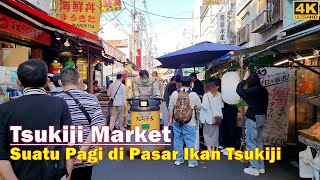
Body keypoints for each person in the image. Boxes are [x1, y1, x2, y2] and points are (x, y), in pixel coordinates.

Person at [0, 59, 74, 180]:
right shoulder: (60, 104)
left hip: (20, 174)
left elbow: (2, 155)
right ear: (46, 81)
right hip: (53, 174)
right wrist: (68, 175)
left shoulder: (4, 109)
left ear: (18, 83)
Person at [57, 68, 105, 180]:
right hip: (86, 157)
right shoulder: (91, 99)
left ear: (60, 82)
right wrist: (82, 150)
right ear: (80, 81)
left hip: (62, 157)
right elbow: (98, 128)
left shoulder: (55, 101)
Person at [236, 72, 269, 176]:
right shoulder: (264, 90)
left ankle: (254, 167)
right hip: (262, 118)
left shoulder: (253, 90)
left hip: (253, 118)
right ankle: (261, 167)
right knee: (259, 142)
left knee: (251, 143)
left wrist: (244, 80)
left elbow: (239, 90)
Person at [168, 76, 201, 168]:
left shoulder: (175, 93)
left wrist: (170, 119)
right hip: (190, 122)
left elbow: (171, 107)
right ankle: (192, 161)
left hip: (177, 121)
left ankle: (178, 159)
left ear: (180, 83)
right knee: (190, 141)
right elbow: (199, 107)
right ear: (190, 83)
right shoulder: (194, 94)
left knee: (178, 140)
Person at [200, 79, 224, 154]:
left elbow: (205, 106)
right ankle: (213, 149)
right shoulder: (219, 94)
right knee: (215, 135)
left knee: (207, 135)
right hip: (216, 118)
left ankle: (209, 150)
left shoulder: (206, 95)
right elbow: (222, 106)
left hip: (207, 118)